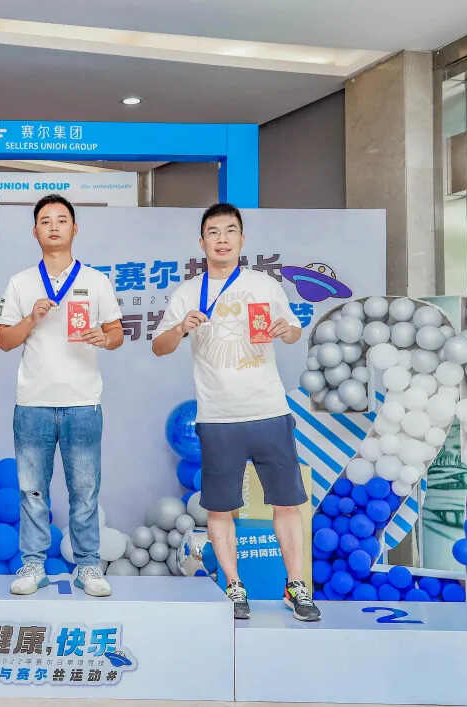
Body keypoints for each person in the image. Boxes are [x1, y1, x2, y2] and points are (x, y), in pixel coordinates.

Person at [152, 203, 320, 622]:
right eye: (213, 232)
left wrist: (287, 330)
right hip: (217, 417)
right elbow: (159, 346)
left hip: (268, 410)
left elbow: (294, 329)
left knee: (287, 503)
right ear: (202, 242)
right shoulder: (188, 292)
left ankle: (296, 586)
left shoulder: (264, 285)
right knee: (220, 508)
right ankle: (233, 585)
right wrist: (181, 328)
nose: (222, 239)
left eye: (230, 231)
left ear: (242, 239)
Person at [0, 194, 123, 597]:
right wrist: (31, 318)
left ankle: (88, 565)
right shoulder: (20, 282)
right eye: (46, 221)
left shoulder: (96, 281)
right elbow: (4, 340)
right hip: (33, 401)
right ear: (35, 231)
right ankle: (33, 564)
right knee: (32, 490)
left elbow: (117, 333)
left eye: (62, 219)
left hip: (83, 401)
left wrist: (104, 338)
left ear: (75, 228)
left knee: (85, 491)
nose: (54, 226)